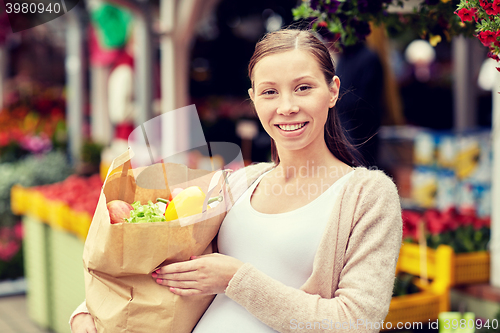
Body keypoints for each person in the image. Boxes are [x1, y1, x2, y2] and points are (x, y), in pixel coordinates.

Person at [70, 28, 402, 333]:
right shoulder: (241, 183)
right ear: (253, 98)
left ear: (332, 91)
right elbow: (160, 258)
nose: (286, 106)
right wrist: (89, 311)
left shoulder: (368, 195)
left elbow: (357, 322)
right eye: (269, 92)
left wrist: (234, 279)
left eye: (303, 88)